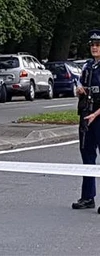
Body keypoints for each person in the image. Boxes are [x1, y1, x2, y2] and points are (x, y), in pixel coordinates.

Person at [73, 29, 100, 211]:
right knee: (87, 156)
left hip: (98, 115)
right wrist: (80, 91)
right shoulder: (88, 67)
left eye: (98, 45)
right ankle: (87, 197)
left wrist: (96, 114)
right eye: (92, 45)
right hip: (86, 115)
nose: (95, 48)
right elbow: (81, 86)